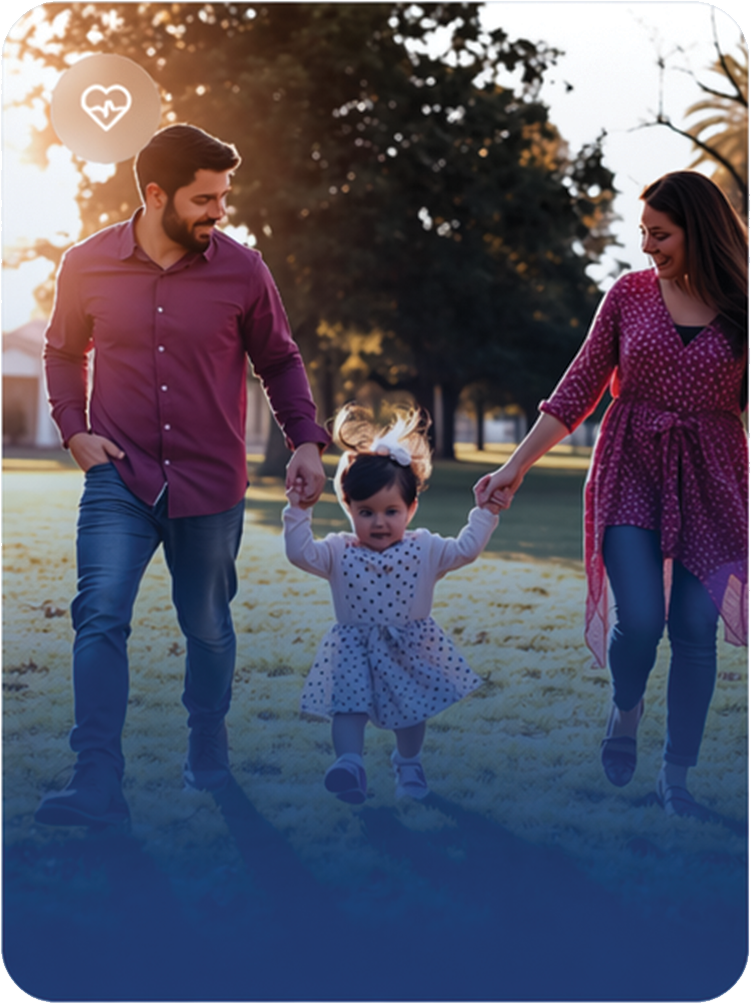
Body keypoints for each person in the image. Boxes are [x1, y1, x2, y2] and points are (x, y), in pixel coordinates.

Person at [35, 124, 330, 827]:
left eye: (223, 196)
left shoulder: (244, 271)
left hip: (211, 481)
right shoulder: (86, 264)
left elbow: (279, 360)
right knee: (100, 613)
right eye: (205, 199)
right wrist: (74, 429)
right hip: (120, 475)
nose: (219, 211)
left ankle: (206, 735)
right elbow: (62, 351)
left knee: (207, 627)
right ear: (156, 194)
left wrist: (305, 442)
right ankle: (95, 778)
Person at [475, 171, 747, 819]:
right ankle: (626, 708)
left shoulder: (743, 307)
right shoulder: (628, 294)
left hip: (712, 482)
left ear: (698, 231)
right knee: (642, 621)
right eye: (643, 233)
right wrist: (514, 466)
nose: (647, 246)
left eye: (661, 234)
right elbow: (577, 388)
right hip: (631, 470)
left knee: (694, 629)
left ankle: (675, 776)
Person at [283, 404, 504, 804]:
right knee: (347, 710)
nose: (379, 522)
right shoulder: (338, 551)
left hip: (409, 647)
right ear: (348, 507)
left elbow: (466, 549)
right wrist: (299, 511)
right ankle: (349, 764)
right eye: (366, 512)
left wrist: (485, 513)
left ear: (411, 509)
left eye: (391, 511)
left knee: (410, 712)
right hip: (352, 648)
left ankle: (408, 763)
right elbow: (300, 554)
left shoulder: (426, 548)